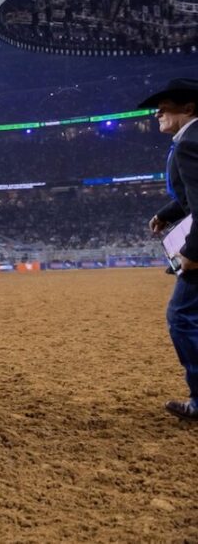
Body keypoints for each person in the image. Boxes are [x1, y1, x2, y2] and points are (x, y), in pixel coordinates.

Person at [146, 78, 198, 422]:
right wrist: (167, 213)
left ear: (188, 108)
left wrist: (192, 252)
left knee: (181, 317)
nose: (157, 114)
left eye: (163, 108)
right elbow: (192, 195)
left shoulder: (190, 144)